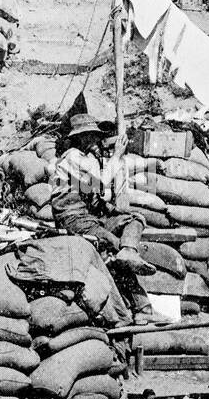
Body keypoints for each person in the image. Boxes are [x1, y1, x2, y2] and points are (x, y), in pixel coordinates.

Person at [50, 113, 156, 285]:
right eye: (91, 136)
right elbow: (99, 185)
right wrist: (116, 156)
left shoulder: (87, 159)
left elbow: (95, 198)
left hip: (90, 219)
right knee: (113, 244)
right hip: (73, 219)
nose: (95, 140)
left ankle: (129, 251)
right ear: (81, 138)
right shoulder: (71, 157)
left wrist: (114, 212)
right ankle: (139, 302)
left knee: (135, 219)